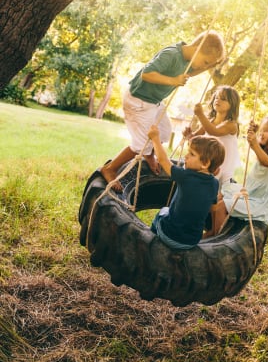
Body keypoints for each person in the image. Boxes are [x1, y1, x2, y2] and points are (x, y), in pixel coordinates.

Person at [100, 30, 225, 191]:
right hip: (138, 100)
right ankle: (110, 168)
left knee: (164, 132)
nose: (205, 67)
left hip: (154, 102)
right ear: (197, 48)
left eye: (208, 65)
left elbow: (194, 72)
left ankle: (149, 155)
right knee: (141, 144)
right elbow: (147, 74)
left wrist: (213, 64)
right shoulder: (171, 55)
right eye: (206, 62)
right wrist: (173, 80)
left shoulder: (189, 61)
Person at [147, 123, 225, 249]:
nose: (186, 156)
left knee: (162, 212)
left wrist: (155, 138)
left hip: (169, 236)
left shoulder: (185, 176)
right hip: (192, 242)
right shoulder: (215, 184)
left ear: (205, 163)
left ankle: (150, 241)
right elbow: (213, 207)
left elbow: (162, 160)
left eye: (192, 154)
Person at [218, 115, 268, 233]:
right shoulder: (263, 150)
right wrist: (254, 132)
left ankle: (216, 233)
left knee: (223, 205)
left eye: (266, 130)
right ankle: (215, 226)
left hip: (260, 202)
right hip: (249, 192)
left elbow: (267, 161)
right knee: (222, 193)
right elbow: (256, 144)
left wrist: (254, 144)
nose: (262, 133)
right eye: (262, 130)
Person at [183, 85, 241, 186]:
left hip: (223, 164)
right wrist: (189, 136)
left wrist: (200, 115)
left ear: (232, 104)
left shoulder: (231, 124)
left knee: (216, 187)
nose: (218, 100)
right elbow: (195, 139)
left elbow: (214, 131)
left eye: (223, 99)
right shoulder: (210, 121)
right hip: (209, 162)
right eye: (217, 97)